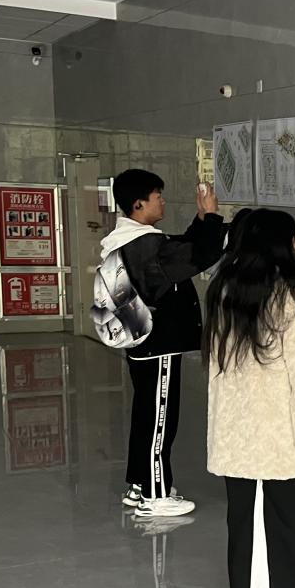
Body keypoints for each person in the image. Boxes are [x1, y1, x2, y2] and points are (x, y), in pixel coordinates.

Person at [204, 209, 295, 588]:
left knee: (243, 514)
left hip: (237, 429)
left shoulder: (224, 292)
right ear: (281, 245)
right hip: (285, 429)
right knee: (287, 513)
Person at [101, 170, 224, 517]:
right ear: (139, 204)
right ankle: (155, 496)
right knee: (160, 420)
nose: (163, 201)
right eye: (158, 196)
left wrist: (201, 220)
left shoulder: (130, 240)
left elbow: (181, 249)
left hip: (144, 345)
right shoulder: (143, 245)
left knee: (146, 414)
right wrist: (212, 217)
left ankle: (139, 485)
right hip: (159, 346)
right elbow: (199, 256)